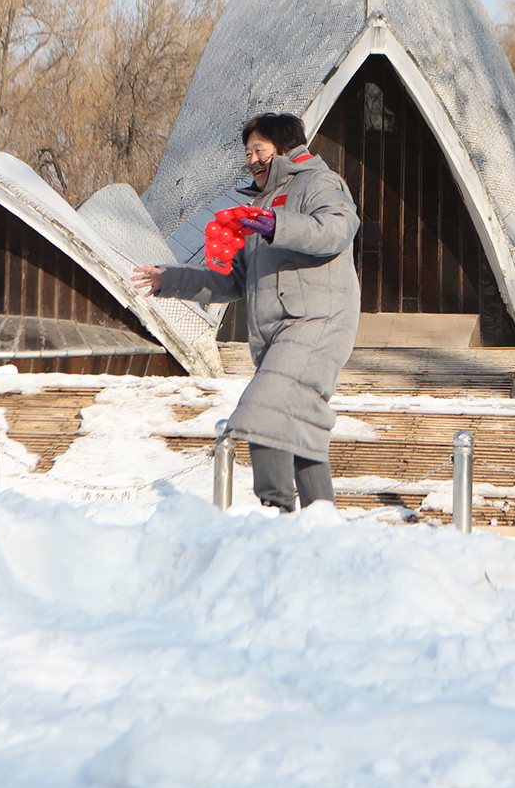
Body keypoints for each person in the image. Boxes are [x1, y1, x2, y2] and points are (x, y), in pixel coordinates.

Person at [134, 112, 360, 512]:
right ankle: (318, 519)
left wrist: (276, 224)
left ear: (285, 148)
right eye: (248, 152)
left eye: (259, 150)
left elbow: (335, 231)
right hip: (279, 332)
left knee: (263, 412)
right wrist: (168, 279)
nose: (252, 159)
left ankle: (276, 511)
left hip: (316, 322)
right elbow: (232, 281)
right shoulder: (260, 207)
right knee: (299, 426)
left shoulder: (319, 182)